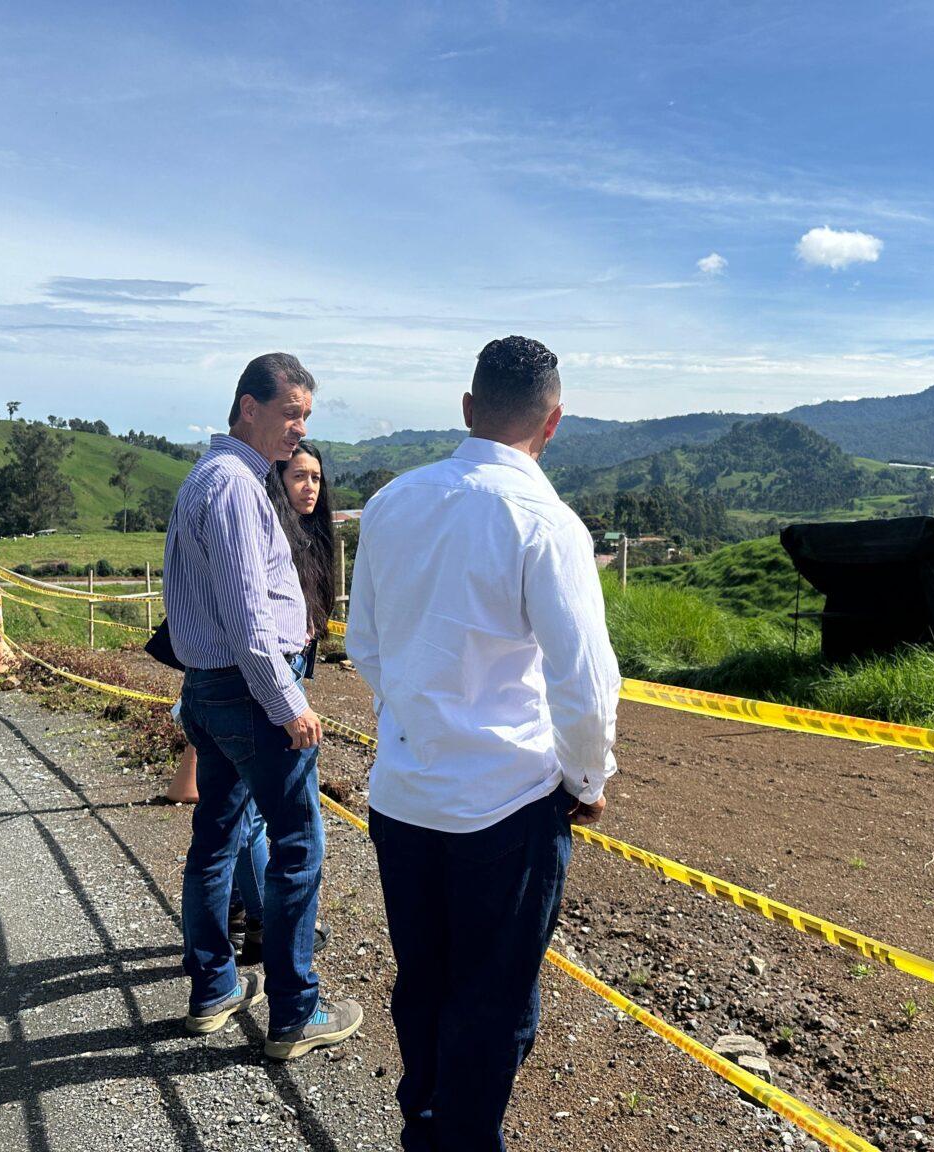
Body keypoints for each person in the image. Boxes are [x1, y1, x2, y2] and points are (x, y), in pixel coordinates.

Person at [348, 336, 621, 1150]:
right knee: (493, 1005)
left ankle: (425, 1125)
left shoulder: (392, 503)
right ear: (554, 422)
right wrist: (587, 779)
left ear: (467, 408)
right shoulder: (547, 525)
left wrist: (416, 717)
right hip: (507, 805)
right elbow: (585, 682)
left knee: (423, 985)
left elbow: (365, 643)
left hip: (403, 795)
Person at [163, 352, 362, 1059]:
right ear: (249, 407)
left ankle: (214, 987)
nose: (299, 428)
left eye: (305, 415)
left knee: (216, 837)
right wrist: (288, 704)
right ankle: (295, 1013)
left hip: (210, 688)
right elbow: (250, 621)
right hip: (250, 691)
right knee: (298, 844)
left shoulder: (213, 477)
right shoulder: (236, 487)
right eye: (290, 413)